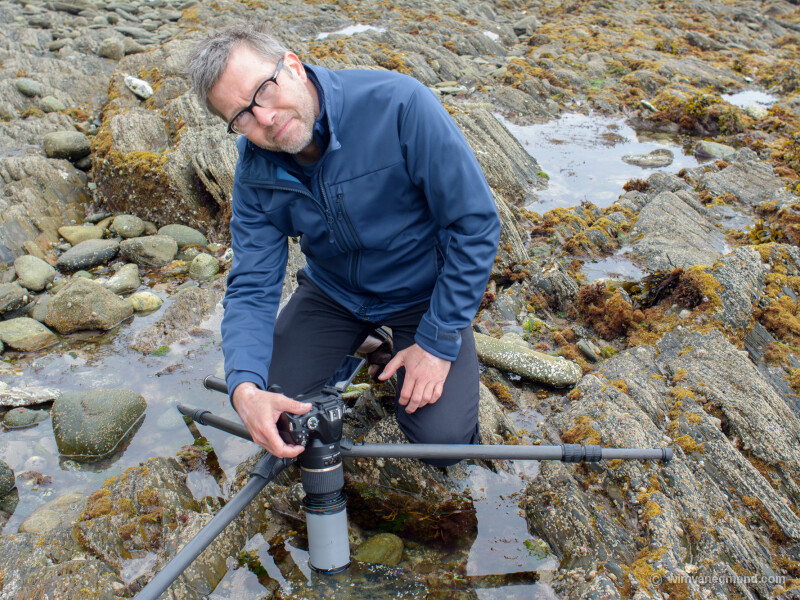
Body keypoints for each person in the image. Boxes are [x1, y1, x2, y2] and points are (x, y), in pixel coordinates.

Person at [188, 22, 501, 466]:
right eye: (240, 116)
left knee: (444, 443)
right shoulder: (254, 171)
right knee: (279, 420)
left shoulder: (399, 104)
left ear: (292, 66)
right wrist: (244, 387)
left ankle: (407, 340)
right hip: (334, 294)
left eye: (264, 90)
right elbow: (252, 285)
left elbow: (474, 223)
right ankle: (371, 343)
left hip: (423, 293)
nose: (264, 117)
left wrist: (437, 342)